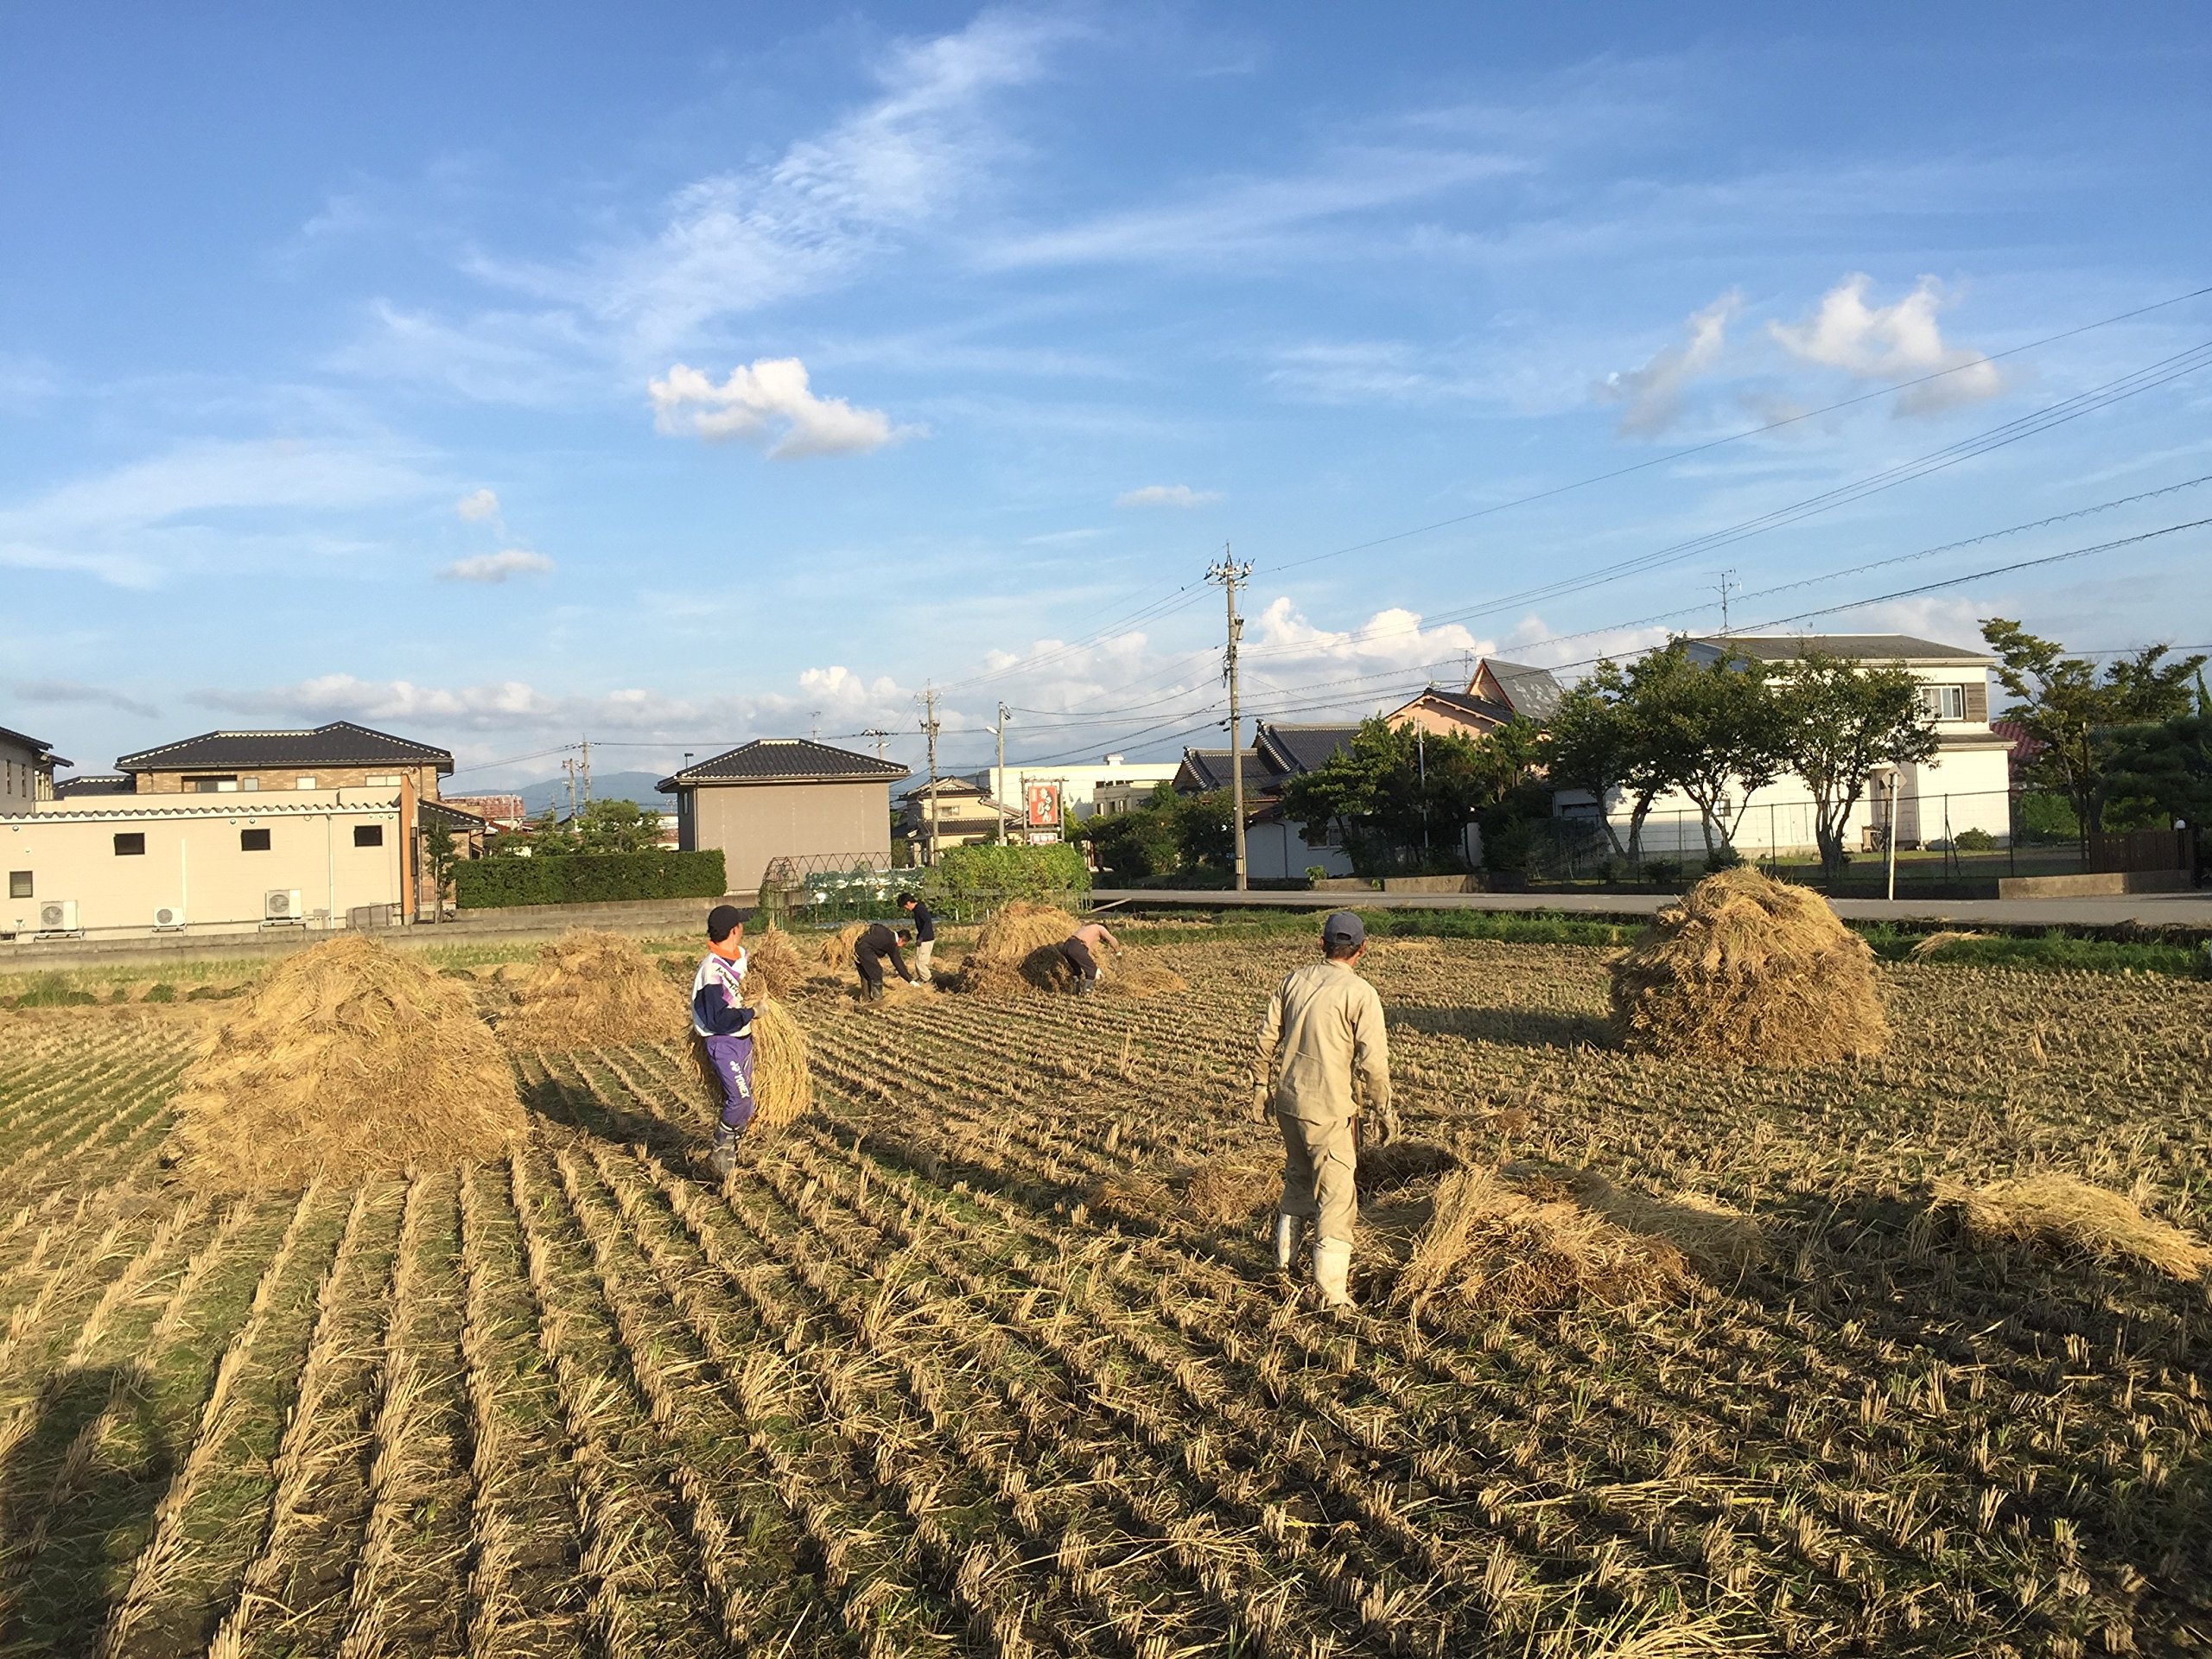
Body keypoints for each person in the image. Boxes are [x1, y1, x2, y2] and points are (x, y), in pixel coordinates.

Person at [1253, 911, 1390, 1311]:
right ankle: (1330, 1293)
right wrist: (1383, 1109)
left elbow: (1265, 1040)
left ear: (1322, 945)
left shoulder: (1292, 981)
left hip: (1289, 1103)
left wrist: (1260, 1087)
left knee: (1297, 1179)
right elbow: (1373, 1062)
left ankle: (1283, 1265)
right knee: (1336, 1197)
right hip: (1329, 1110)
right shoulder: (1360, 992)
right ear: (1362, 948)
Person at [690, 904, 756, 1178]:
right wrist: (752, 1012)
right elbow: (717, 1019)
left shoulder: (741, 957)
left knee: (748, 1105)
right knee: (739, 1099)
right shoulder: (711, 971)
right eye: (740, 925)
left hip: (744, 1039)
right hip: (722, 1041)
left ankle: (728, 1157)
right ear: (734, 930)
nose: (743, 928)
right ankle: (720, 1148)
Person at [853, 919, 916, 1001]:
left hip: (855, 948)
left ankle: (866, 998)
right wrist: (910, 980)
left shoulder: (885, 931)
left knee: (865, 973)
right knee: (877, 972)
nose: (901, 947)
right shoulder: (892, 943)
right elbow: (898, 963)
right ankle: (877, 1000)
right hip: (865, 950)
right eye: (903, 944)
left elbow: (873, 926)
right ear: (901, 940)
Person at [1059, 917, 1120, 993]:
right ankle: (1087, 991)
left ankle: (1076, 990)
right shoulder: (1100, 928)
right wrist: (1118, 952)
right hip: (1076, 946)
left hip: (1066, 946)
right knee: (1091, 970)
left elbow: (1086, 953)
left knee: (1077, 970)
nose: (1101, 939)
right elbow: (1111, 939)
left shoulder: (1086, 929)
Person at [896, 891, 937, 984]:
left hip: (926, 939)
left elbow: (927, 922)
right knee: (918, 963)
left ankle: (930, 982)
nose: (906, 909)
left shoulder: (920, 909)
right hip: (924, 939)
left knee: (921, 964)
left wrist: (921, 937)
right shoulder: (917, 910)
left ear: (909, 903)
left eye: (905, 906)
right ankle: (923, 980)